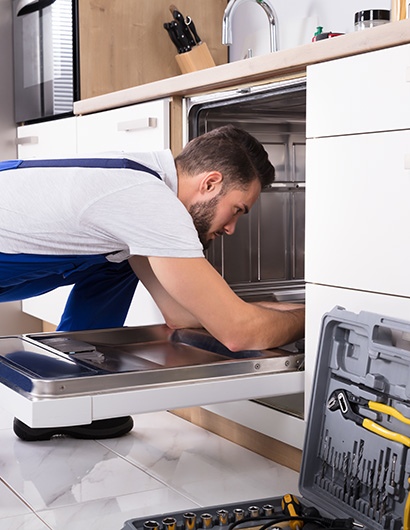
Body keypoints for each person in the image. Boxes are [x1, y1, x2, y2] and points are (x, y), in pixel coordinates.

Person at [0, 125, 304, 441]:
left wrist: (267, 309)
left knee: (118, 262)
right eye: (237, 210)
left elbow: (180, 314)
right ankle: (63, 405)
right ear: (210, 183)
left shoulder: (141, 178)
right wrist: (313, 314)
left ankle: (64, 401)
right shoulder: (151, 203)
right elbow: (239, 333)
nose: (231, 229)